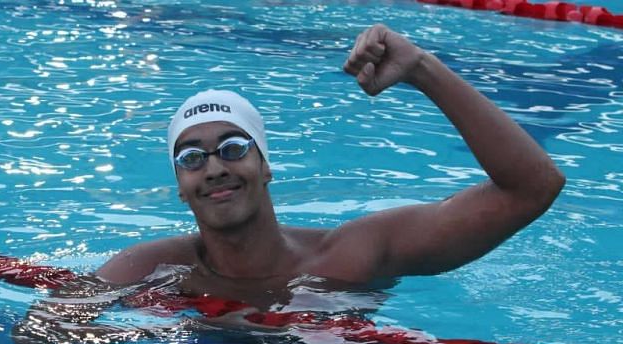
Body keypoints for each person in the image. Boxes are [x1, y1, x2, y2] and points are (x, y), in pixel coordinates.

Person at [94, 23, 566, 304]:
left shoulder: (354, 255)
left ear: (266, 167)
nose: (215, 166)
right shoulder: (151, 267)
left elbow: (531, 188)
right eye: (192, 158)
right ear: (180, 185)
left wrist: (422, 69)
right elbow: (45, 332)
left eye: (234, 148)